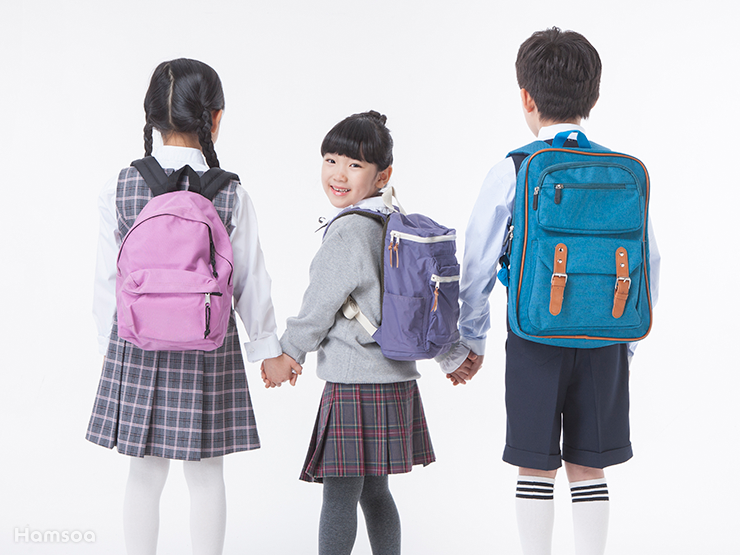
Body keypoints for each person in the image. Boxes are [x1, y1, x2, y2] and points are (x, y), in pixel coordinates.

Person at [440, 28, 661, 555]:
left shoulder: (515, 168)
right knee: (590, 465)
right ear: (594, 98)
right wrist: (625, 341)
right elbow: (650, 260)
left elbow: (478, 259)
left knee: (535, 463)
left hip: (534, 334)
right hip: (606, 337)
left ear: (527, 97)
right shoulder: (622, 171)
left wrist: (472, 337)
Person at [86, 58, 300, 555]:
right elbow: (250, 279)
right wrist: (266, 348)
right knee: (206, 476)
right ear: (215, 117)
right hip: (210, 346)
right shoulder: (231, 194)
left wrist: (107, 343)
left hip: (137, 343)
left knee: (143, 474)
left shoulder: (120, 186)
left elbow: (106, 277)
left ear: (150, 117)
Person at [275, 111, 435, 555]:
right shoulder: (394, 223)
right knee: (376, 492)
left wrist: (289, 353)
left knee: (340, 494)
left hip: (353, 383)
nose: (338, 174)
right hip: (396, 378)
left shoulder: (348, 231)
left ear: (383, 175)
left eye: (354, 164)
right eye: (330, 160)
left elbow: (318, 306)